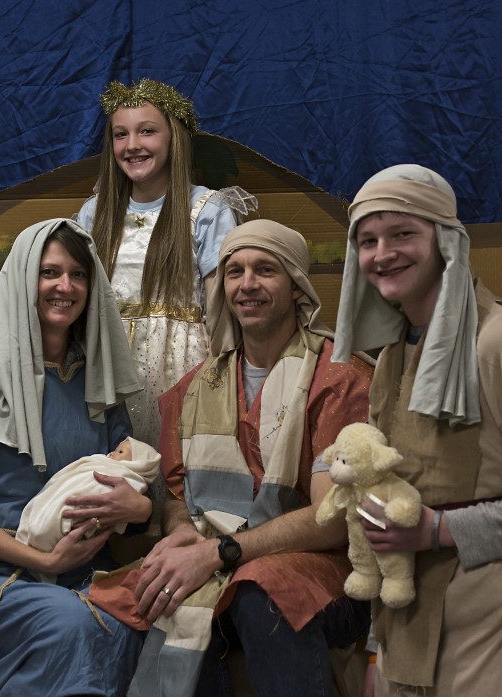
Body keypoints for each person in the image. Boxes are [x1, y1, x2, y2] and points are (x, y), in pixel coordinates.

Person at [331, 165, 502, 697]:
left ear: (445, 240)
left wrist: (439, 531)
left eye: (403, 233)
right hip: (405, 619)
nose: (382, 253)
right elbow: (382, 504)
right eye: (368, 240)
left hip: (490, 624)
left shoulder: (500, 342)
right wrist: (376, 649)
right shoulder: (393, 353)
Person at [131, 219, 374, 697]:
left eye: (265, 270)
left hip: (328, 574)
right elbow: (179, 496)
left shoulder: (339, 378)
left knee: (261, 591)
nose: (247, 284)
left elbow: (335, 520)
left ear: (296, 285)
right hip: (219, 559)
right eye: (234, 271)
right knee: (154, 592)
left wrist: (219, 552)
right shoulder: (196, 387)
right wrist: (182, 532)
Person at [0, 219, 149, 697]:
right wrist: (44, 555)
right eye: (49, 273)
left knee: (142, 623)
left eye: (78, 274)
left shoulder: (96, 384)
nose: (65, 287)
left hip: (85, 567)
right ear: (24, 281)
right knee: (71, 625)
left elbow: (131, 474)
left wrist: (141, 509)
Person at [75, 77, 255, 447]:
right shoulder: (96, 213)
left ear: (173, 137)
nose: (133, 145)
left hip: (180, 364)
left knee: (175, 467)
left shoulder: (205, 209)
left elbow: (221, 309)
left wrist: (223, 382)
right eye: (120, 135)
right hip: (109, 364)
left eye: (147, 132)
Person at [16, 436, 161, 582]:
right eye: (115, 450)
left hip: (91, 560)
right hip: (16, 555)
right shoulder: (101, 462)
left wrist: (143, 508)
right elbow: (70, 481)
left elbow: (129, 506)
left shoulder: (124, 474)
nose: (111, 454)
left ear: (139, 464)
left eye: (120, 451)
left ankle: (49, 527)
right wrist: (48, 562)